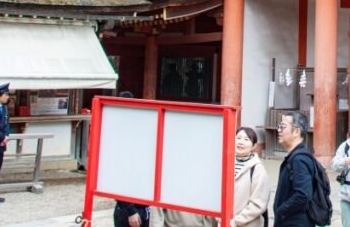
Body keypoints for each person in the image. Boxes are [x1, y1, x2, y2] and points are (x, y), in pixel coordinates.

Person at [155, 126, 269, 227]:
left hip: (244, 223)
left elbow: (258, 204)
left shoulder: (257, 169)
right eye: (238, 138)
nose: (241, 142)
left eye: (246, 139)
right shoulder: (222, 164)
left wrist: (235, 222)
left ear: (254, 145)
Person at [273, 111, 319, 227]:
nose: (279, 130)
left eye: (283, 127)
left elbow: (303, 195)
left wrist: (281, 211)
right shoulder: (295, 157)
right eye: (279, 126)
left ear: (296, 131)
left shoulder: (299, 160)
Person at [113, 91, 150, 227]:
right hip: (128, 207)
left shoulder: (137, 132)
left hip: (144, 203)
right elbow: (117, 177)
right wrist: (130, 210)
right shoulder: (117, 136)